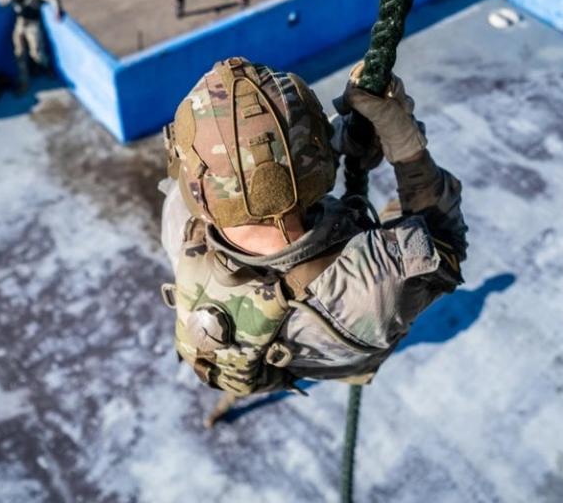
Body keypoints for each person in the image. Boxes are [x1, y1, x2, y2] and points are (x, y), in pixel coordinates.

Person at [159, 57, 468, 421]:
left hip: (236, 359)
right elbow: (445, 240)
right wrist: (402, 140)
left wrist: (338, 141)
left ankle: (226, 402)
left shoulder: (180, 218)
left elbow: (253, 185)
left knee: (241, 360)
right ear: (313, 161)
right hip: (332, 353)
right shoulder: (371, 284)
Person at [0, 0, 64, 94]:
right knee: (19, 53)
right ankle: (24, 82)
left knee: (37, 52)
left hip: (33, 23)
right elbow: (1, 1)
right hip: (20, 23)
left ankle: (46, 67)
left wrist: (57, 10)